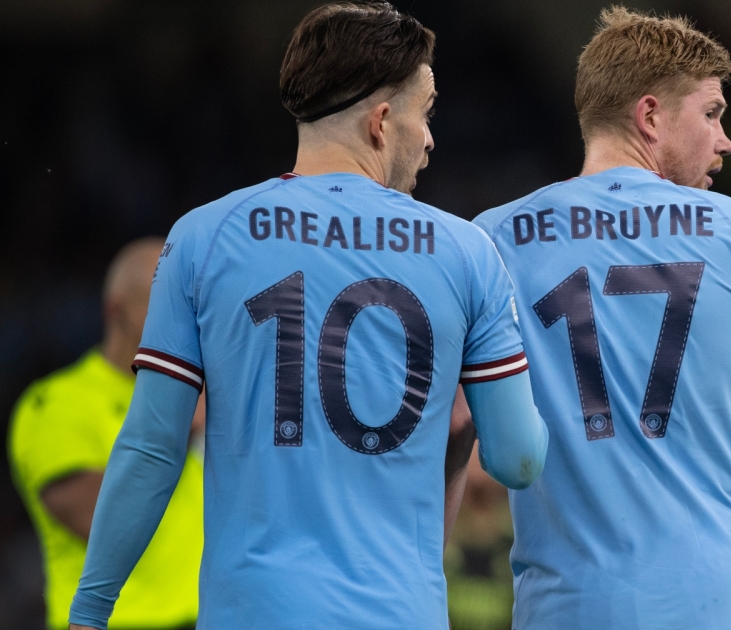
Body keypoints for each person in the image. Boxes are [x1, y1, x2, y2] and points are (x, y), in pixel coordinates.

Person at [68, 3, 547, 629]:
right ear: (381, 122)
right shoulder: (468, 253)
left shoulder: (202, 238)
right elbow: (517, 459)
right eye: (425, 113)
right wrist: (463, 439)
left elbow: (152, 450)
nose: (430, 137)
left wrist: (90, 611)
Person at [473, 8, 731, 629]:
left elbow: (468, 430)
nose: (726, 140)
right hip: (720, 600)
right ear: (650, 116)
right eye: (711, 114)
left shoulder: (494, 237)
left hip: (570, 605)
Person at [9, 237, 204, 630]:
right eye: (166, 304)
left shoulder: (201, 395)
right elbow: (96, 521)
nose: (185, 321)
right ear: (117, 311)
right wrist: (177, 421)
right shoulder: (55, 404)